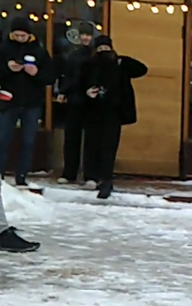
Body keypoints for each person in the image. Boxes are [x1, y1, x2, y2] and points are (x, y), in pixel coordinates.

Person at [80, 36, 148, 200]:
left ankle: (106, 178)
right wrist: (88, 92)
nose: (104, 52)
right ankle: (91, 176)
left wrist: (122, 60)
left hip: (114, 111)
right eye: (100, 49)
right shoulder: (89, 65)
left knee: (109, 146)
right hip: (93, 110)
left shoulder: (120, 64)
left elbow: (141, 69)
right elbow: (79, 83)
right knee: (92, 143)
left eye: (106, 49)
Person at [0, 18, 53, 186]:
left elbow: (50, 76)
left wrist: (36, 73)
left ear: (29, 35)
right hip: (8, 101)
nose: (20, 38)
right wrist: (8, 69)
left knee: (28, 141)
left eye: (23, 35)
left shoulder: (40, 51)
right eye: (17, 35)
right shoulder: (4, 49)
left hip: (32, 103)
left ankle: (21, 176)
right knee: (3, 139)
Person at [55, 23, 96, 187]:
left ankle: (90, 174)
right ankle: (69, 172)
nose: (85, 38)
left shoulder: (95, 55)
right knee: (72, 138)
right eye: (83, 34)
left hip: (92, 102)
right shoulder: (73, 56)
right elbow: (69, 76)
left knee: (91, 140)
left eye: (88, 35)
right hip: (75, 100)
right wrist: (63, 91)